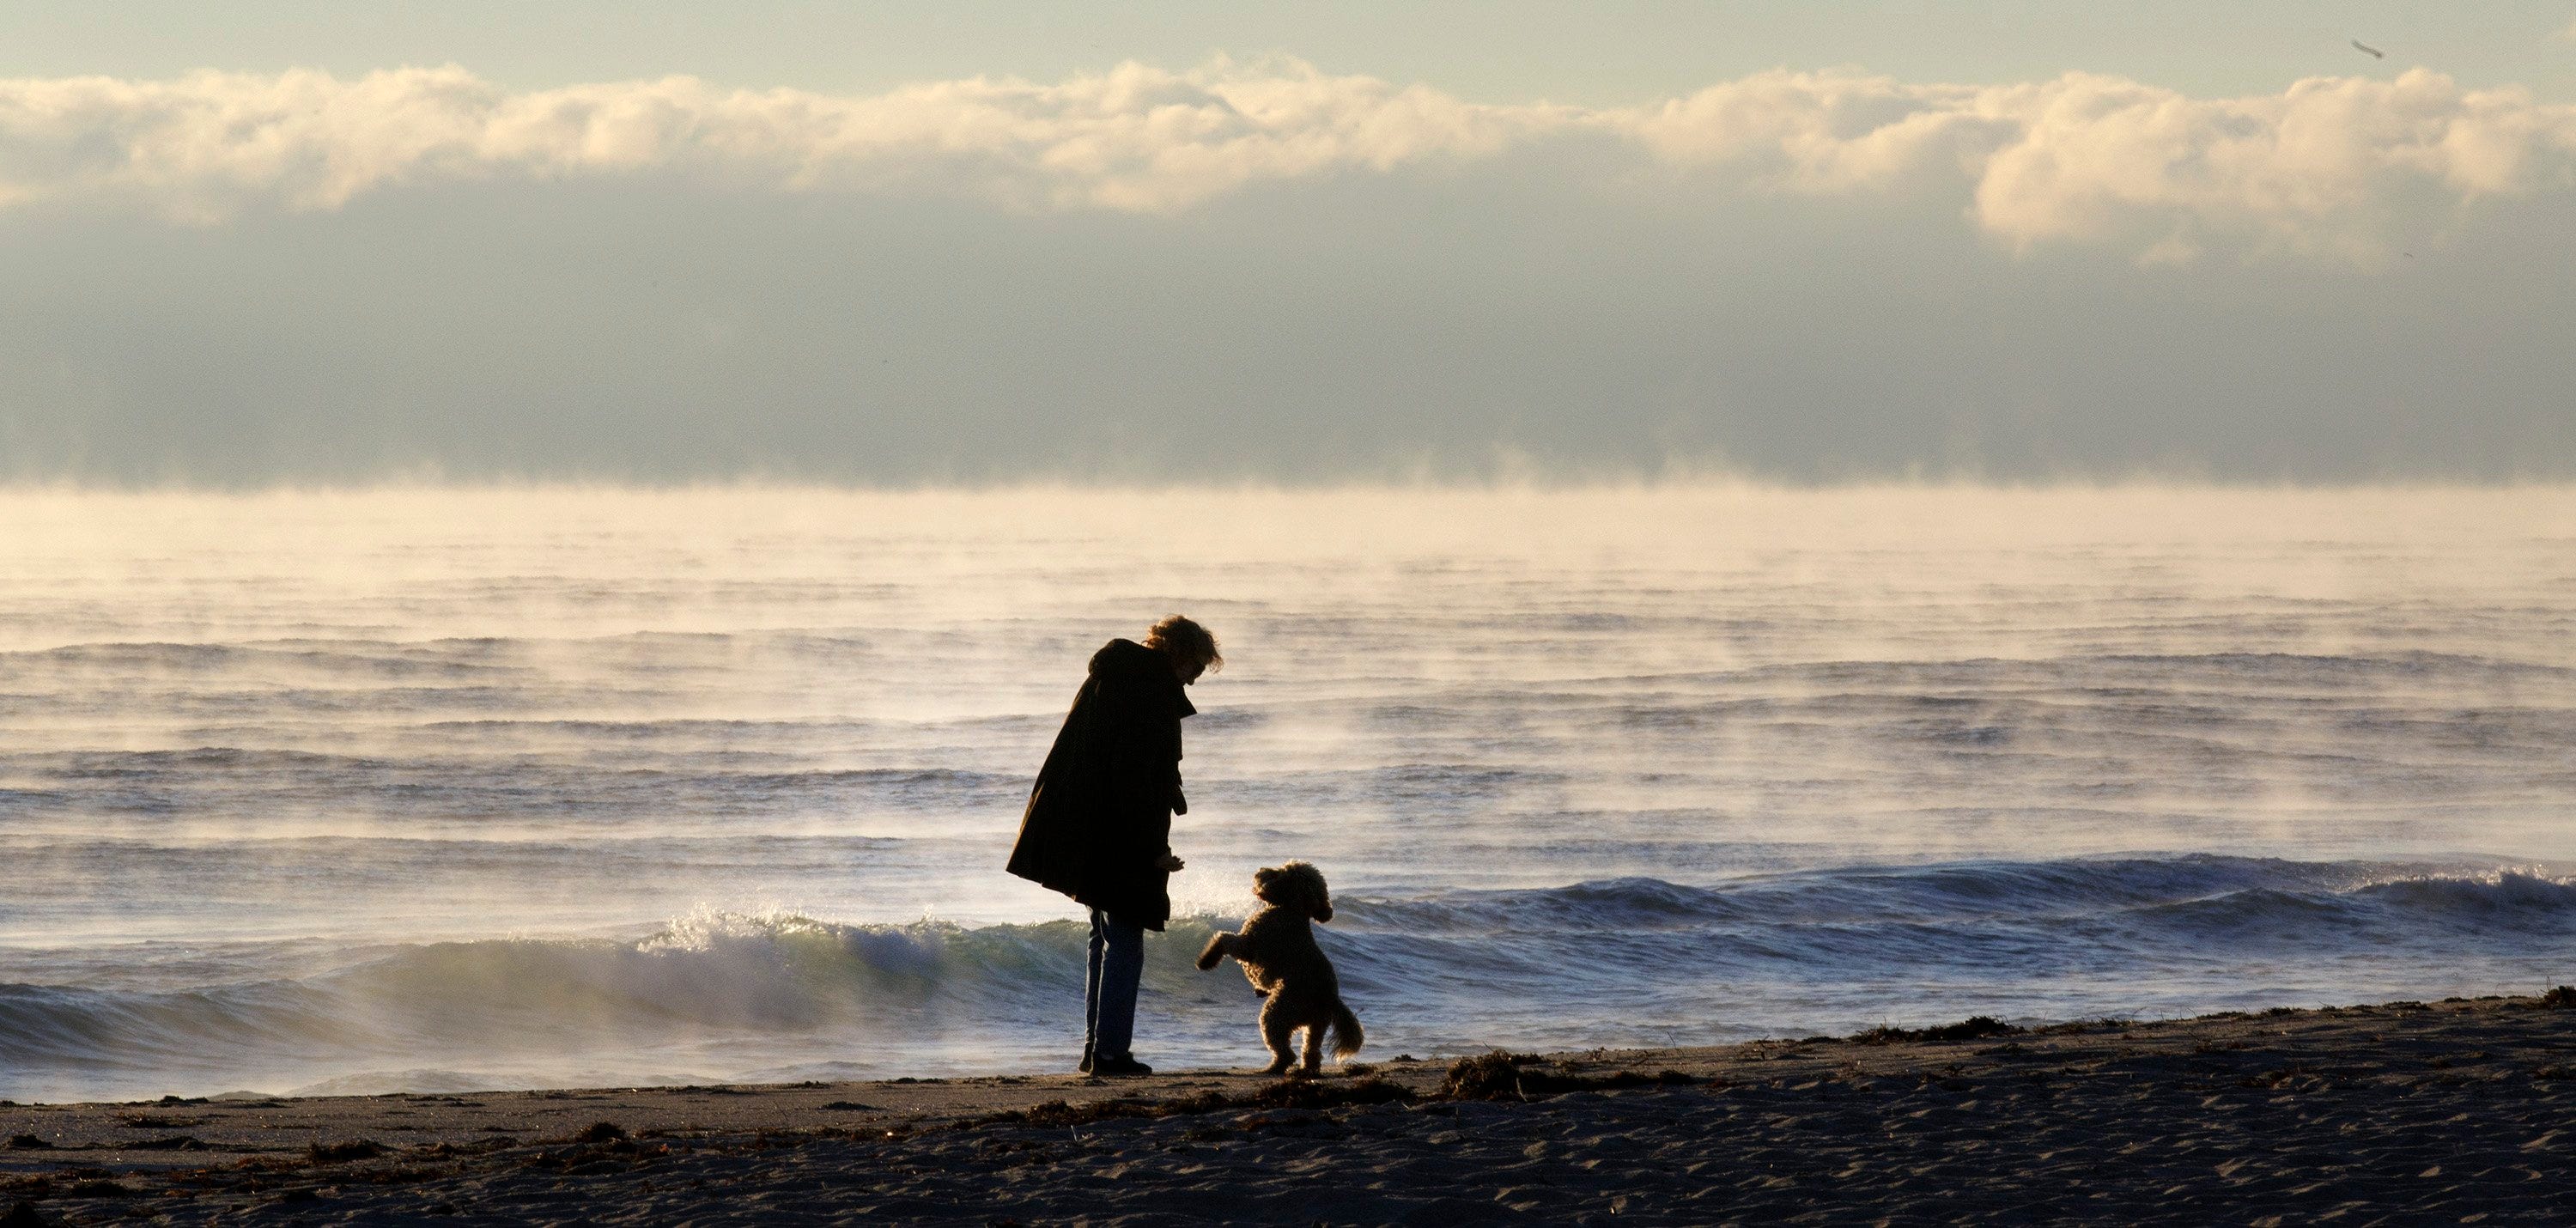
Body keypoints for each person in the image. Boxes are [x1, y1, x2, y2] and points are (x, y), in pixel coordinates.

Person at [1006, 615, 1221, 1076]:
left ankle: (1095, 1050)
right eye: (1197, 664)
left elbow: (1120, 770)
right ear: (1178, 654)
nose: (1198, 676)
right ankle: (1110, 1054)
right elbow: (1136, 783)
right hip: (1118, 834)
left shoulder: (1119, 677)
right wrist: (1152, 852)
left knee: (1102, 936)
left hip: (1087, 826)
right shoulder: (1150, 692)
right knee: (1124, 940)